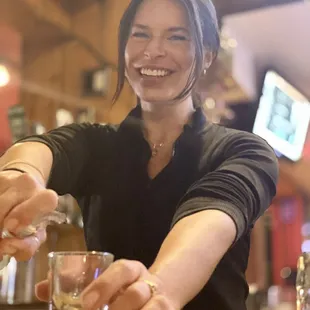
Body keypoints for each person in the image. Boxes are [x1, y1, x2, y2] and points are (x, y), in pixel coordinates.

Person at [0, 0, 278, 309]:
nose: (153, 50)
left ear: (206, 56)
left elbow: (212, 216)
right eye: (141, 34)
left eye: (176, 37)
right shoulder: (96, 144)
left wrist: (156, 288)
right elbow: (44, 149)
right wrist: (16, 180)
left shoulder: (244, 151)